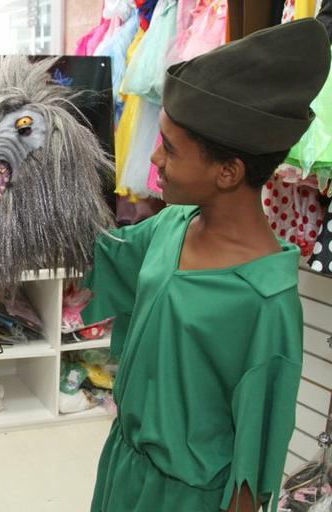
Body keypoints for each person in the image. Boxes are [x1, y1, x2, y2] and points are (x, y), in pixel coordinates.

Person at [83, 19, 331, 512]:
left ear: (227, 171)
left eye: (170, 149)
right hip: (124, 466)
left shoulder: (265, 301)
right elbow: (99, 255)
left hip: (186, 500)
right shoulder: (170, 226)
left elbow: (252, 460)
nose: (153, 157)